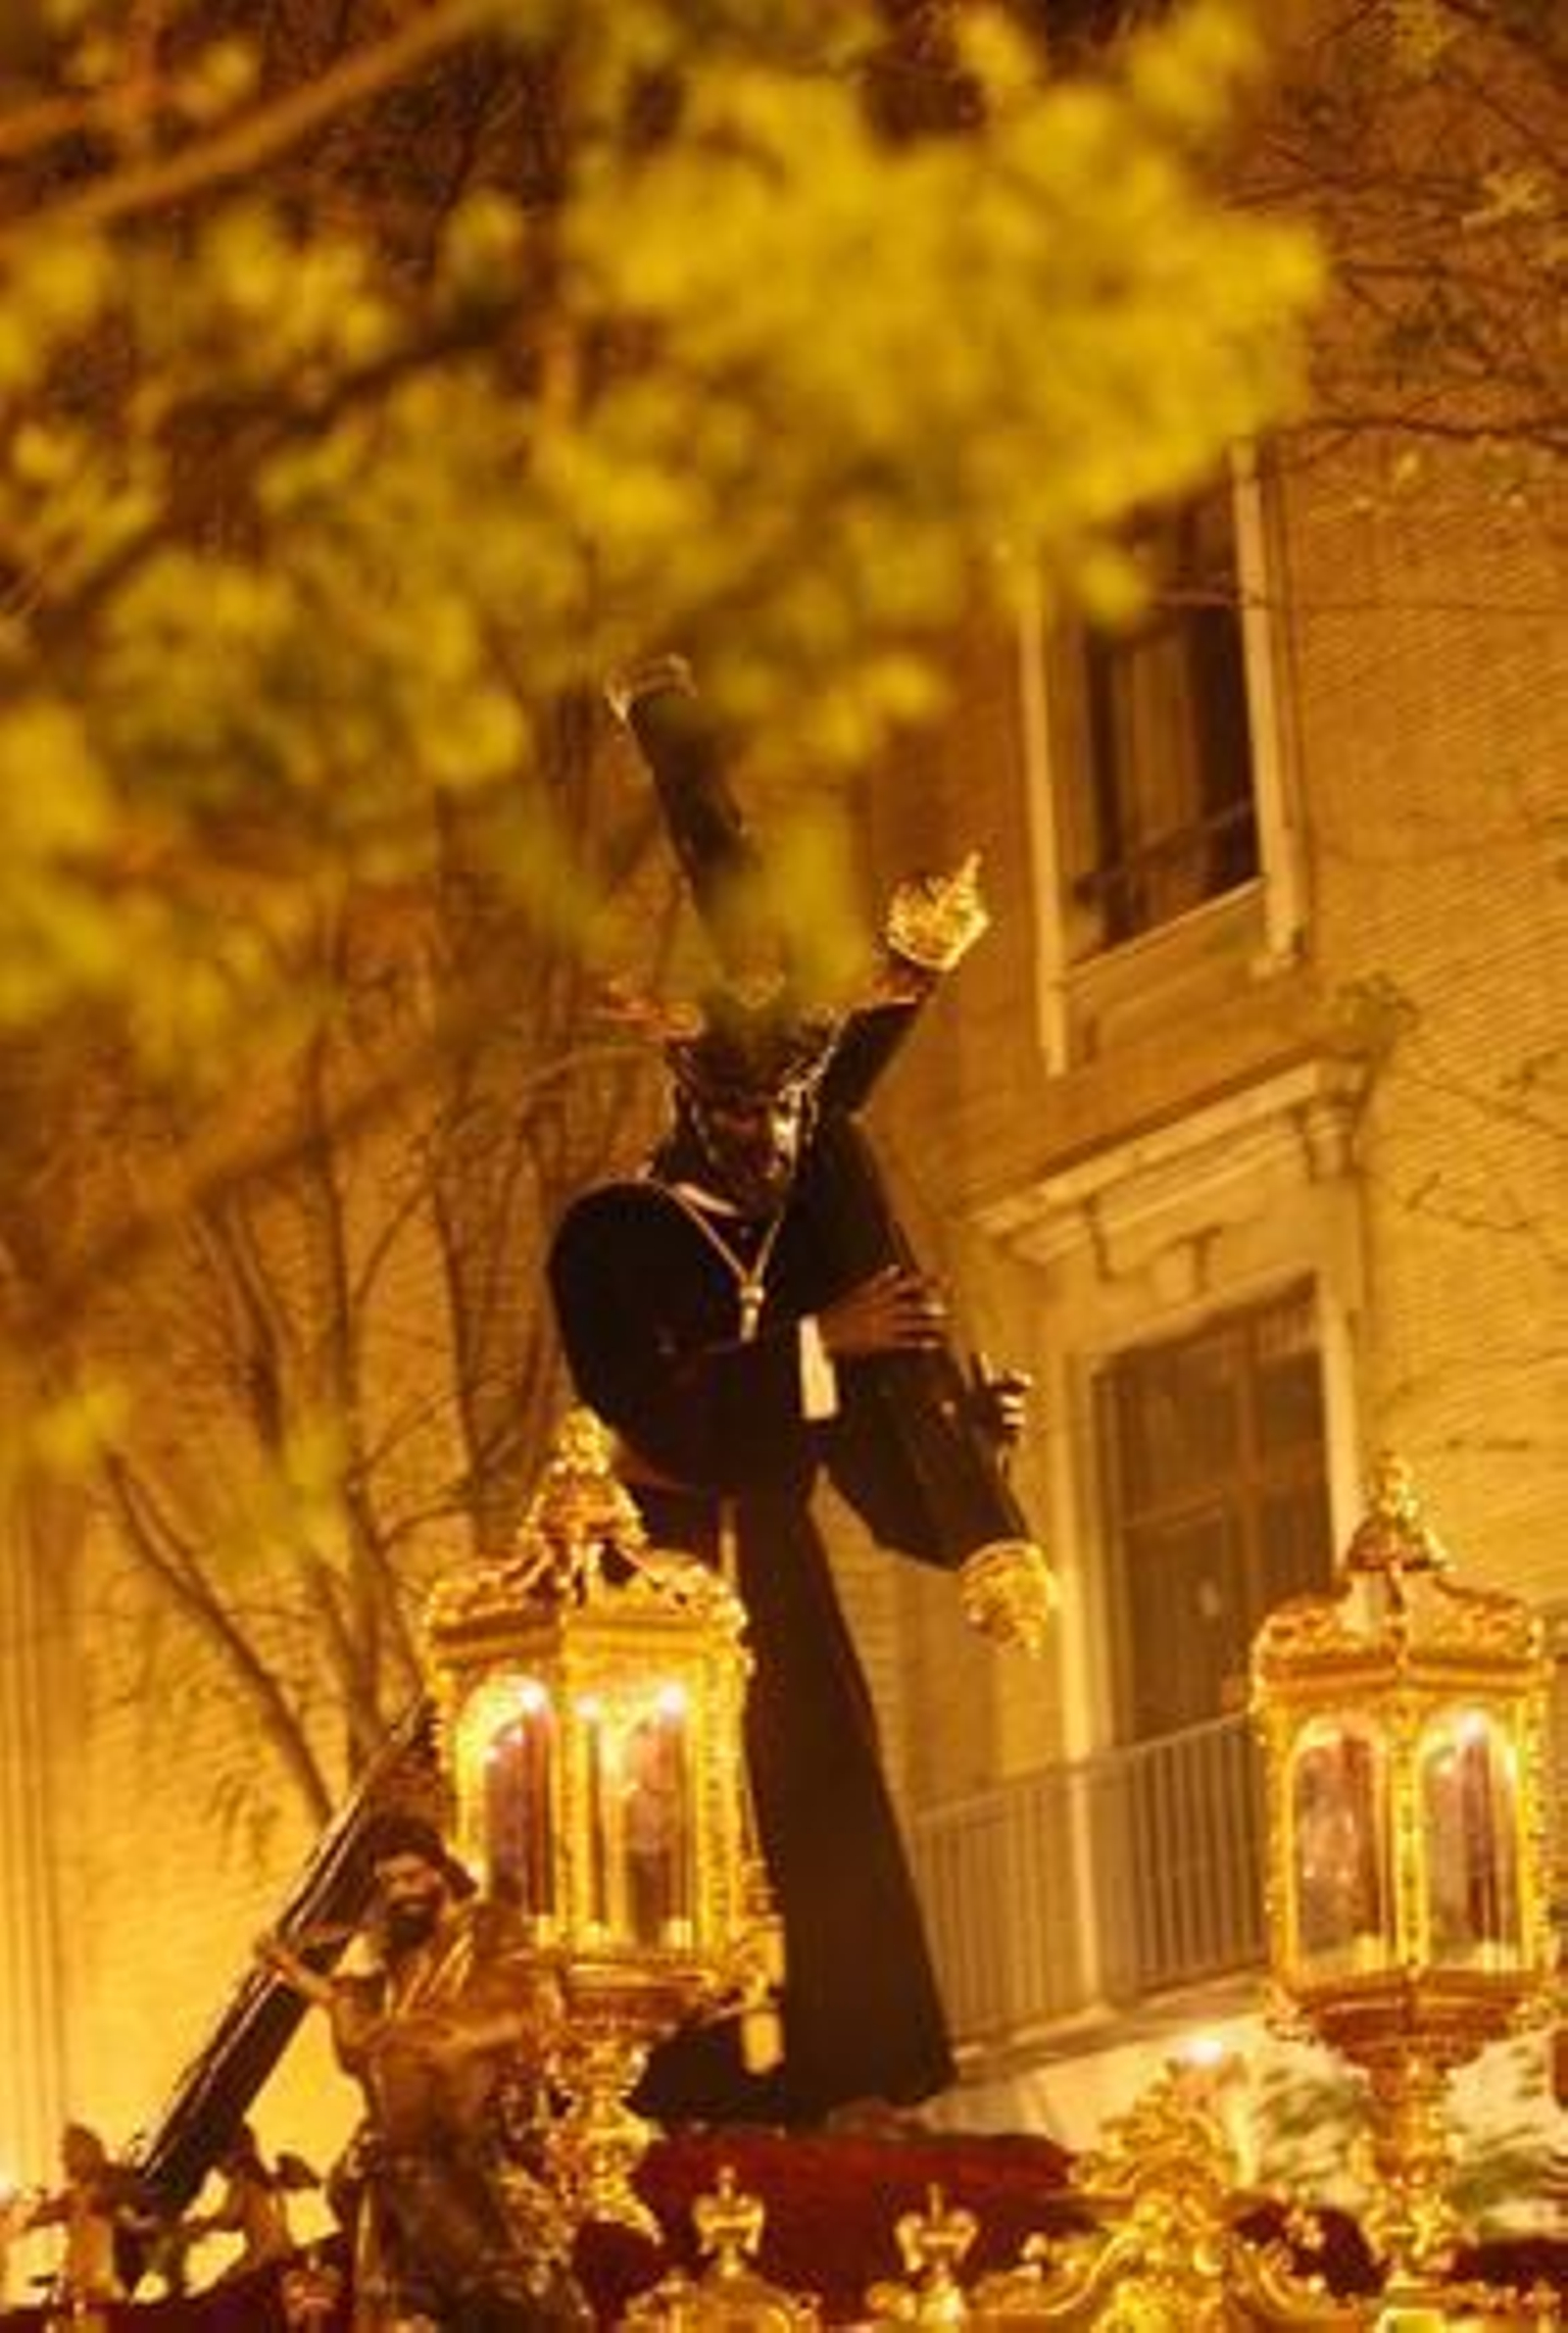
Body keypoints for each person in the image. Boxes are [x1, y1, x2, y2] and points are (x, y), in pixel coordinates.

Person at [547, 659, 1053, 2131]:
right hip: (651, 1587)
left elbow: (850, 1456)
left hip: (775, 1579)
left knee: (829, 1810)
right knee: (675, 1842)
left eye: (789, 1112)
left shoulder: (799, 1213)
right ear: (691, 1100)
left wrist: (958, 1444)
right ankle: (686, 2091)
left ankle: (857, 2082)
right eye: (748, 1111)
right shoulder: (618, 1235)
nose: (774, 1139)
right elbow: (664, 1410)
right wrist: (818, 1345)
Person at [258, 1812, 589, 2333]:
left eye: (411, 1877)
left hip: (477, 2132)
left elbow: (532, 2003)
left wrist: (455, 2039)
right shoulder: (404, 1961)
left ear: (440, 1870)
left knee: (488, 2270)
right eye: (389, 1882)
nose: (401, 1893)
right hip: (400, 2143)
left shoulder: (489, 1928)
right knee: (391, 2260)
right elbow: (372, 2030)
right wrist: (305, 1981)